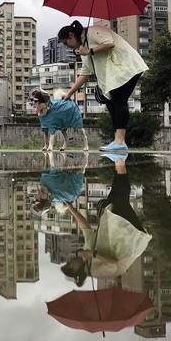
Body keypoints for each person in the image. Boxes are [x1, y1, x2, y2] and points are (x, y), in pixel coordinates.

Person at [59, 154, 152, 286]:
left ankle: (119, 162)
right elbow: (114, 262)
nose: (70, 260)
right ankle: (120, 161)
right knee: (119, 199)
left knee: (114, 198)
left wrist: (70, 208)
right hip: (126, 236)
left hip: (118, 229)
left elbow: (85, 228)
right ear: (74, 269)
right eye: (69, 263)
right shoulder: (96, 272)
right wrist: (93, 253)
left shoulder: (87, 256)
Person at [58, 20, 148, 152]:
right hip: (117, 73)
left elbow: (109, 44)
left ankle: (120, 141)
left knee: (118, 99)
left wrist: (89, 51)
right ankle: (118, 141)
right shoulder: (83, 50)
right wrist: (70, 93)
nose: (68, 46)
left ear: (71, 35)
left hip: (128, 67)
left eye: (66, 43)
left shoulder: (93, 31)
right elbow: (84, 74)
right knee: (111, 102)